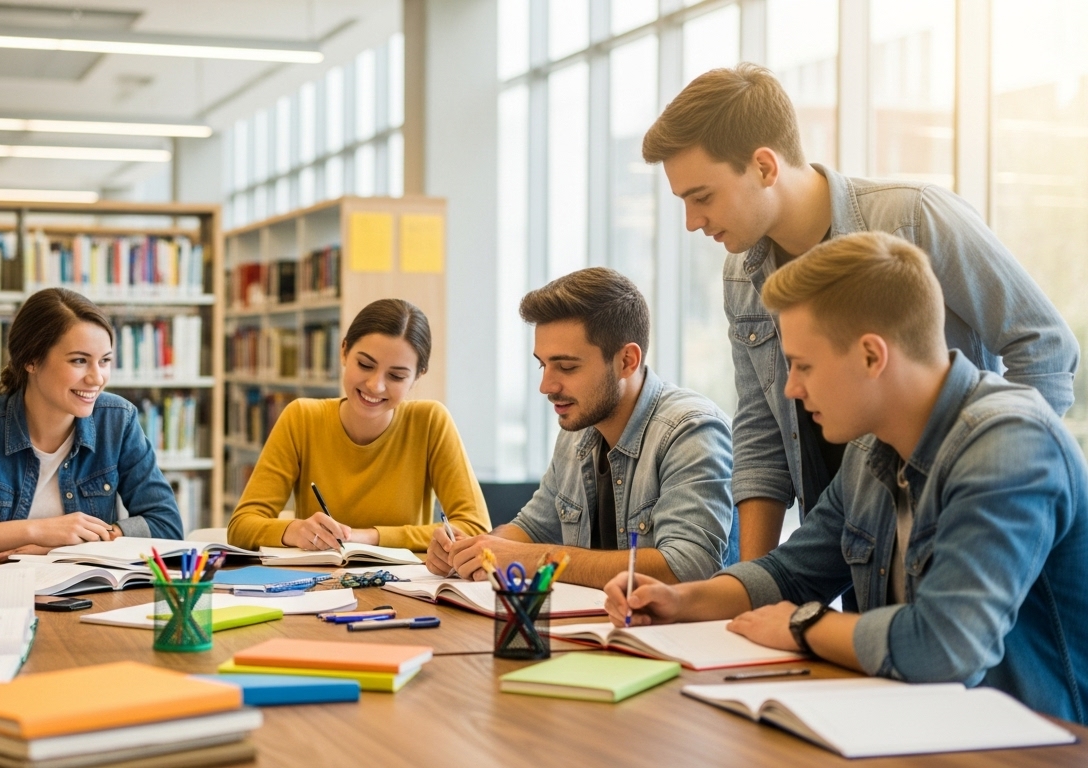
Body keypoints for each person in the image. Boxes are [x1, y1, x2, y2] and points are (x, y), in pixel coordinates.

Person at [603, 232, 1088, 724]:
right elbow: (792, 573)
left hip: (1029, 744)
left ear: (872, 356)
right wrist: (680, 600)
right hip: (913, 727)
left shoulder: (1009, 445)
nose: (791, 389)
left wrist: (805, 625)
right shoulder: (870, 449)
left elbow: (945, 647)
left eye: (803, 366)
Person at [641, 63, 1079, 561]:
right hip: (849, 548)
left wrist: (992, 488)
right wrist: (750, 585)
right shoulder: (741, 275)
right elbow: (762, 436)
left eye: (702, 197)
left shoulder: (914, 219)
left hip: (960, 534)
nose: (692, 222)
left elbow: (1045, 348)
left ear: (764, 167)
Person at [428, 268, 735, 589]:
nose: (546, 386)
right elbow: (531, 529)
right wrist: (473, 549)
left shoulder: (691, 430)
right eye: (543, 364)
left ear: (627, 361)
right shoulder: (576, 431)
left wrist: (535, 559)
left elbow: (687, 567)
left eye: (566, 367)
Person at [0, 288, 182, 559]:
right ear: (31, 360)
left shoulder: (118, 420)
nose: (97, 378)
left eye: (104, 361)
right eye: (79, 361)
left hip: (84, 584)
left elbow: (167, 526)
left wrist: (61, 548)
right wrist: (35, 531)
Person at [227, 299, 490, 552]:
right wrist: (294, 531)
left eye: (396, 376)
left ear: (417, 376)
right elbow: (241, 526)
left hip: (404, 580)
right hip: (317, 579)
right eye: (365, 365)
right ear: (344, 351)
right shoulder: (302, 418)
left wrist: (369, 537)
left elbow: (475, 528)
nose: (376, 385)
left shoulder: (430, 421)